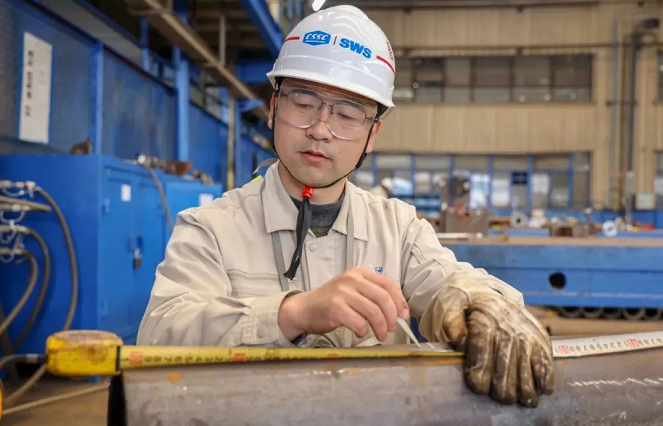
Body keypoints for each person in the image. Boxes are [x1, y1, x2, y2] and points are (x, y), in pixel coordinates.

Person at [137, 5, 554, 408]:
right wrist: (293, 313)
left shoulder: (397, 228)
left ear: (373, 136)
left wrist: (484, 303)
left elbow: (447, 282)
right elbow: (160, 334)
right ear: (274, 109)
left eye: (348, 115)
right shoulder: (211, 227)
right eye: (304, 103)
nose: (320, 129)